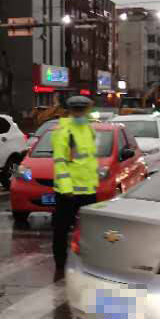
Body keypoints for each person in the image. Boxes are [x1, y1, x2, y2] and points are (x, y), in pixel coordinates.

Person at [51, 95, 99, 282]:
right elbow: (60, 162)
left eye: (82, 110)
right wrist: (66, 188)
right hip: (68, 192)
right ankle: (60, 263)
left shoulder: (89, 129)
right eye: (76, 110)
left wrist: (94, 183)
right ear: (70, 111)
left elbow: (89, 160)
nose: (80, 113)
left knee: (89, 230)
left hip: (88, 190)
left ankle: (86, 262)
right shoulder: (64, 131)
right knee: (61, 229)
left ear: (87, 110)